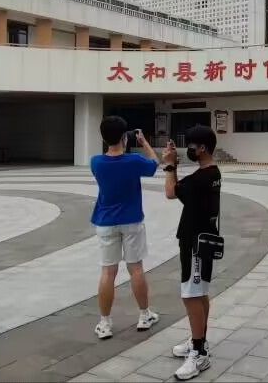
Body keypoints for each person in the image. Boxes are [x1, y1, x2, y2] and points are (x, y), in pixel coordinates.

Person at [90, 116, 160, 339]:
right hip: (131, 221)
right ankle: (144, 315)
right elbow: (154, 164)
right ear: (124, 137)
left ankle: (105, 323)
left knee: (107, 272)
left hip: (105, 222)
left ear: (103, 137)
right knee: (136, 269)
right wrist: (144, 143)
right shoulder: (133, 161)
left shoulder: (96, 162)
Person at [162, 125, 221, 381]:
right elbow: (179, 189)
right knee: (200, 291)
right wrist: (173, 165)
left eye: (192, 146)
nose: (189, 150)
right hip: (204, 239)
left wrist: (169, 165)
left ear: (202, 148)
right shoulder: (211, 173)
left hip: (195, 243)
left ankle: (199, 353)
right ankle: (200, 340)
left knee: (191, 295)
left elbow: (169, 192)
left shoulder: (201, 178)